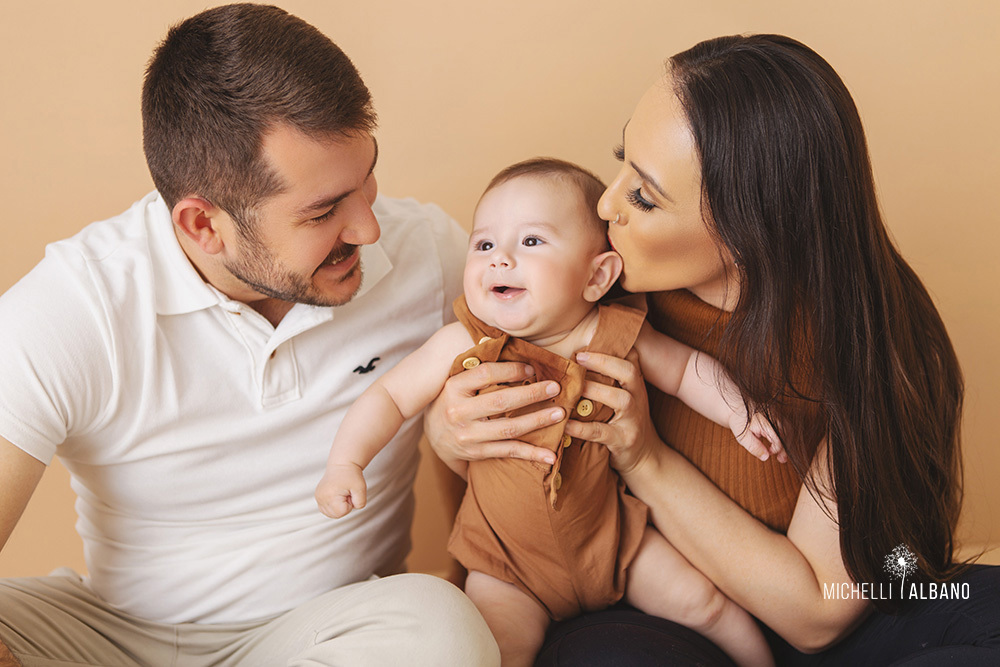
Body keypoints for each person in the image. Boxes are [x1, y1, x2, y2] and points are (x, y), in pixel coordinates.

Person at [425, 34, 1000, 665]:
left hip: (837, 606)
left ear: (749, 228)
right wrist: (447, 430)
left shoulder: (874, 341)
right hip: (644, 601)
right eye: (622, 163)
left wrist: (644, 457)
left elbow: (816, 614)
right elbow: (498, 488)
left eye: (643, 197)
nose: (605, 204)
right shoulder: (584, 286)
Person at [0, 4, 500, 666]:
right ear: (203, 225)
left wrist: (449, 432)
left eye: (366, 181)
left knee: (443, 630)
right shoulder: (76, 306)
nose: (368, 228)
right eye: (322, 212)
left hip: (331, 635)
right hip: (110, 638)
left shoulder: (431, 255)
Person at [316, 157, 783, 666]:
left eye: (531, 241)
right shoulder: (464, 343)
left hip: (613, 543)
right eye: (484, 244)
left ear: (597, 276)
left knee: (706, 604)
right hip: (506, 566)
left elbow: (689, 371)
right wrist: (345, 463)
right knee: (498, 651)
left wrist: (741, 412)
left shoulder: (615, 335)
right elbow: (388, 396)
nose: (500, 259)